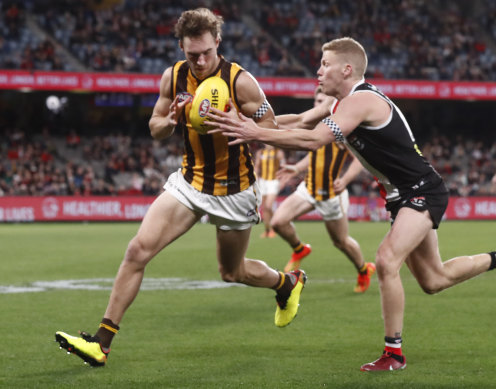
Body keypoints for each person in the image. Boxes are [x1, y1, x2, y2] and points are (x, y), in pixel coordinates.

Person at [207, 37, 496, 372]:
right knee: (434, 279)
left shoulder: (362, 100)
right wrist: (237, 121)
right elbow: (299, 120)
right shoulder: (338, 104)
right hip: (403, 196)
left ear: (347, 69)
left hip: (421, 190)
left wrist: (255, 134)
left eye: (325, 64)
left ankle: (394, 354)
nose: (319, 70)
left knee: (385, 261)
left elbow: (313, 140)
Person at [54, 8, 306, 367]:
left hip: (235, 190)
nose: (200, 61)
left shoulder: (241, 81)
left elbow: (270, 128)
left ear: (217, 42)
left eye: (206, 52)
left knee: (231, 272)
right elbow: (155, 126)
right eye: (192, 55)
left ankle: (285, 283)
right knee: (137, 250)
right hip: (189, 182)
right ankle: (101, 343)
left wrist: (241, 125)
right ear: (181, 48)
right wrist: (170, 119)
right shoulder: (173, 76)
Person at [273, 86, 376, 293]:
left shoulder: (342, 127)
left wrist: (345, 179)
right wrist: (296, 168)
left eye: (322, 102)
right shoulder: (315, 126)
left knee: (340, 242)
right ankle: (300, 249)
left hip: (331, 194)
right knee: (278, 222)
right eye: (316, 101)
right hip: (309, 188)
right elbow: (315, 154)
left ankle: (364, 269)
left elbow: (359, 158)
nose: (318, 105)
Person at [255, 144, 286, 238]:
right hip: (263, 181)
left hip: (273, 181)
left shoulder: (279, 153)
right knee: (264, 208)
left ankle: (275, 225)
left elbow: (284, 167)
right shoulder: (260, 152)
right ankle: (268, 230)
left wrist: (282, 180)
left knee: (268, 206)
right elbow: (257, 166)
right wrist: (256, 177)